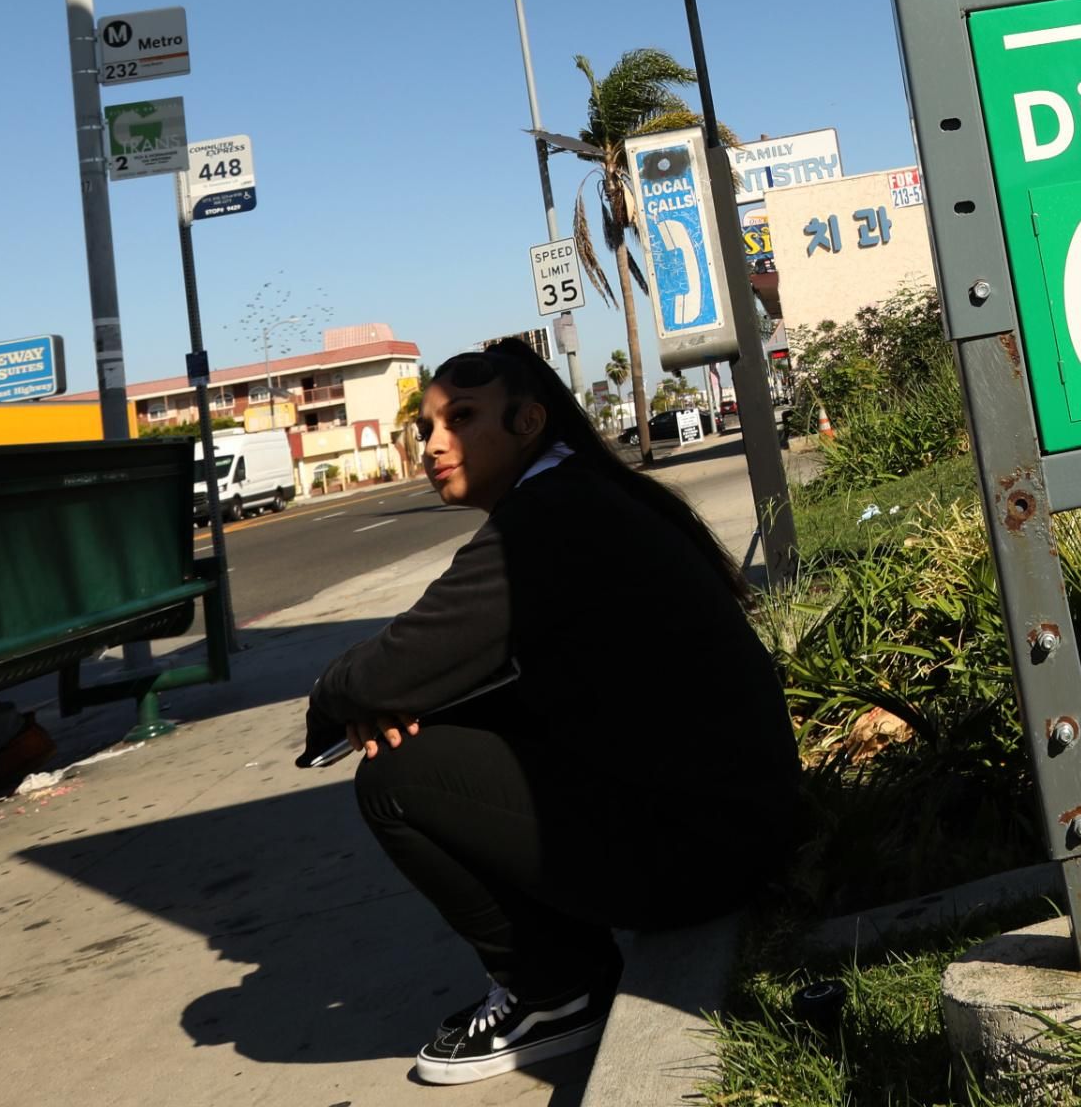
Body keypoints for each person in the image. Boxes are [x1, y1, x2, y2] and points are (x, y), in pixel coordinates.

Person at [304, 338, 798, 1085]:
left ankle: (556, 995)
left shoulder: (545, 524)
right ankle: (564, 971)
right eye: (427, 428)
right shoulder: (579, 495)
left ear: (528, 421)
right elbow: (432, 672)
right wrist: (395, 698)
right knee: (440, 729)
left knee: (396, 779)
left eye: (461, 418)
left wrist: (349, 698)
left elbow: (385, 669)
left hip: (707, 856)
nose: (434, 445)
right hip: (734, 828)